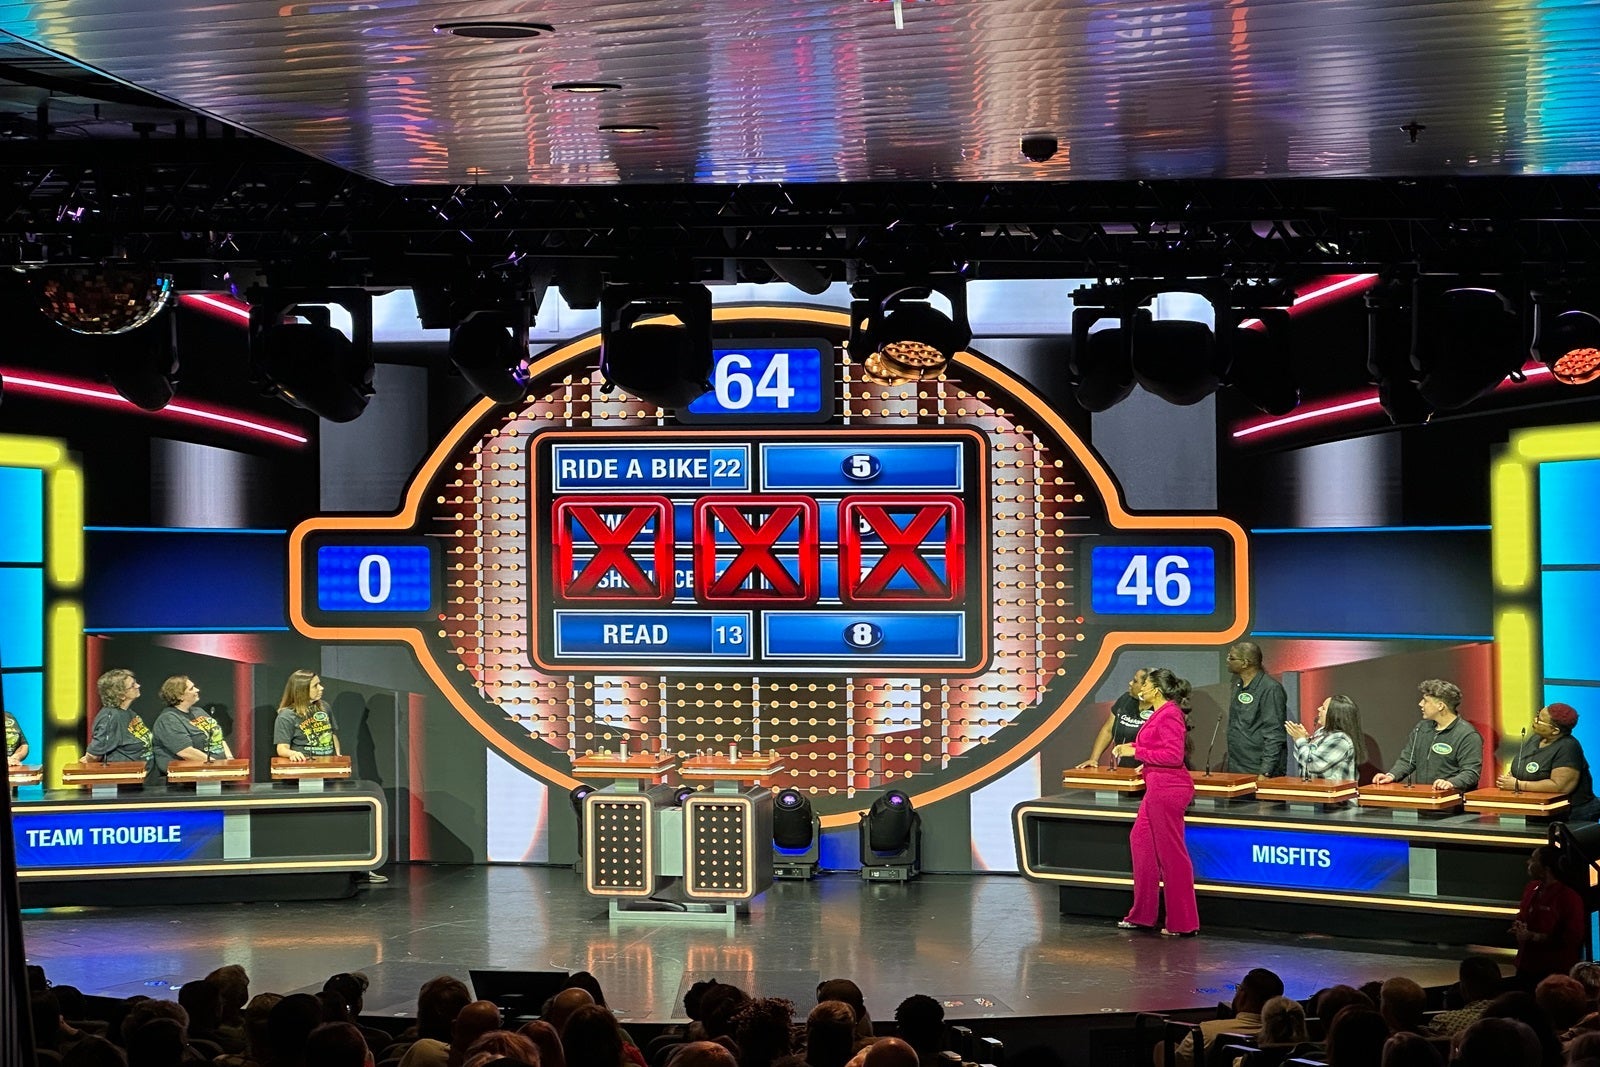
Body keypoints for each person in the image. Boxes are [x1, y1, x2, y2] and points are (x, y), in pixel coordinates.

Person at [1113, 667, 1199, 937]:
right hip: (1157, 787)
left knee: (1171, 854)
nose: (1141, 689)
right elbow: (1162, 752)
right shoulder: (1161, 713)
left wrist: (1136, 751)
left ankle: (1183, 922)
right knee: (1141, 844)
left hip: (1169, 790)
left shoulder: (1170, 714)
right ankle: (1143, 915)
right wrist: (1146, 764)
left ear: (1156, 690)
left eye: (1146, 685)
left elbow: (1174, 756)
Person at [1372, 679, 1483, 791]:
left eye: (1425, 701)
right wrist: (1391, 776)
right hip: (1425, 801)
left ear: (1440, 706)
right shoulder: (1421, 728)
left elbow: (1471, 772)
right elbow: (1408, 760)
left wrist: (1450, 783)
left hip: (1453, 803)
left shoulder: (1468, 735)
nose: (1420, 704)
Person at [1496, 702, 1600, 820]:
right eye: (1537, 715)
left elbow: (1560, 787)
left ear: (1555, 730)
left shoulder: (1568, 747)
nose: (1535, 720)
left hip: (1570, 815)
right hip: (1539, 809)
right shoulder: (1536, 738)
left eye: (1539, 719)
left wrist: (1518, 784)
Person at [1511, 845, 1585, 985]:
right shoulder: (1531, 888)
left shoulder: (1568, 897)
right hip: (1525, 965)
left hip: (1553, 971)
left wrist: (1534, 937)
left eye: (1533, 860)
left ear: (1546, 869)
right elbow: (1523, 915)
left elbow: (1573, 937)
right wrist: (1519, 926)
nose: (1528, 863)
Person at [1223, 642, 1289, 777]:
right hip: (1237, 766)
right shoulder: (1238, 685)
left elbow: (1274, 733)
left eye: (1232, 658)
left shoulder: (1271, 689)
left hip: (1258, 769)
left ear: (1245, 663)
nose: (1227, 660)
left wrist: (1266, 771)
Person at [1077, 668, 1152, 769]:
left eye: (1135, 681)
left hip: (1152, 770)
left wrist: (1153, 765)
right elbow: (1108, 730)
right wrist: (1094, 759)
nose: (1130, 683)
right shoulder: (1125, 700)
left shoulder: (1163, 709)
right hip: (1126, 768)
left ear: (1146, 687)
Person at [150, 676, 217, 784]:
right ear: (180, 696)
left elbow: (218, 738)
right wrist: (219, 765)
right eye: (191, 688)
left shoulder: (199, 711)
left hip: (213, 774)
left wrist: (229, 760)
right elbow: (186, 752)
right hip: (186, 781)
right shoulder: (168, 720)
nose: (197, 690)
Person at [82, 669, 152, 770]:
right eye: (132, 685)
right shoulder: (110, 718)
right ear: (121, 695)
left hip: (140, 775)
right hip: (124, 779)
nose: (138, 686)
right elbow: (93, 755)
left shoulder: (129, 713)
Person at [1285, 695, 1366, 782]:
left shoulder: (1341, 740)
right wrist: (1304, 739)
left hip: (1333, 793)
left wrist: (1300, 740)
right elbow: (1303, 759)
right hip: (1314, 790)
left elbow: (1313, 764)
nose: (1319, 709)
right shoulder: (1321, 732)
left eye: (1323, 708)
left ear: (1334, 715)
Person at [275, 669, 340, 762]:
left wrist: (337, 755)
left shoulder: (324, 706)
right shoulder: (287, 715)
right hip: (305, 765)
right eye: (315, 686)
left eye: (319, 684)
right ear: (302, 690)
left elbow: (332, 733)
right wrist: (292, 753)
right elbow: (281, 748)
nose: (321, 688)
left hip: (328, 765)